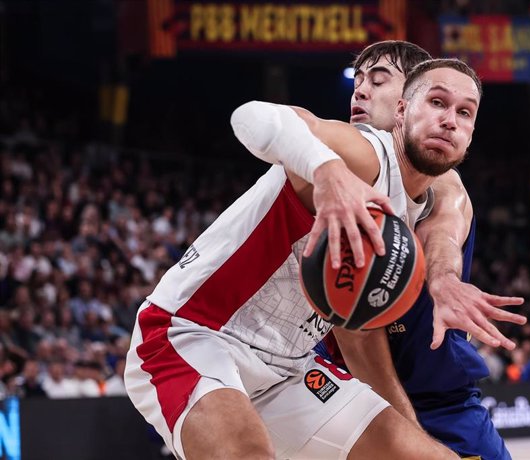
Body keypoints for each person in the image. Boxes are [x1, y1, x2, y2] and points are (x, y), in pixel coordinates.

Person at [125, 58, 489, 459]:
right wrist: (328, 170)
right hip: (193, 335)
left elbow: (445, 230)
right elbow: (251, 116)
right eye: (438, 102)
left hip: (289, 367)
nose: (450, 120)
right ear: (402, 110)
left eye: (464, 112)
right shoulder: (363, 154)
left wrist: (445, 279)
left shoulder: (421, 205)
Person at [317, 41, 520, 459]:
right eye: (357, 82)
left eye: (378, 80)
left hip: (443, 398)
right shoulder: (335, 179)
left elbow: (443, 228)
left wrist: (444, 277)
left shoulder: (439, 180)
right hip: (350, 394)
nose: (359, 92)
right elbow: (358, 342)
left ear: (408, 103)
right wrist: (412, 442)